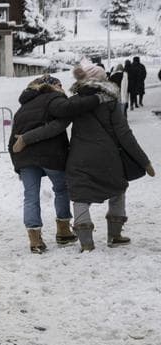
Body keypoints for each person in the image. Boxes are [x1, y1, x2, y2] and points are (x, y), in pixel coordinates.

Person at [45, 62, 155, 252]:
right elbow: (124, 134)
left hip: (78, 158)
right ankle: (115, 235)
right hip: (108, 158)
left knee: (80, 197)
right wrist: (144, 161)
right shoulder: (111, 101)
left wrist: (27, 139)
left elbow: (56, 126)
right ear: (102, 80)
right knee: (117, 191)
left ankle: (87, 243)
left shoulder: (74, 103)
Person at [8, 75, 74, 253]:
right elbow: (59, 125)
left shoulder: (22, 109)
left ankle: (35, 240)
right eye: (60, 85)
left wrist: (17, 166)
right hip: (51, 154)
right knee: (61, 189)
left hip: (25, 158)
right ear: (52, 87)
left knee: (31, 196)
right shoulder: (54, 100)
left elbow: (11, 141)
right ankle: (63, 231)